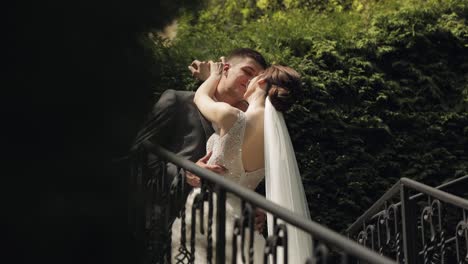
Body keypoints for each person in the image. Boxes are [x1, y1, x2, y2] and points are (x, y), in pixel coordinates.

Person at [131, 48, 268, 259]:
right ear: (225, 68)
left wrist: (253, 206)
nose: (251, 81)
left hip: (225, 240)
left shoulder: (250, 121)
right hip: (166, 230)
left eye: (257, 77)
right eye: (248, 72)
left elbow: (241, 173)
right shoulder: (177, 101)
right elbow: (139, 154)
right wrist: (185, 174)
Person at [171, 62, 312, 263]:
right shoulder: (276, 142)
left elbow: (200, 97)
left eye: (253, 77)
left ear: (261, 81)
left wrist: (213, 76)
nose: (248, 82)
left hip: (207, 216)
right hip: (245, 229)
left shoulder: (232, 117)